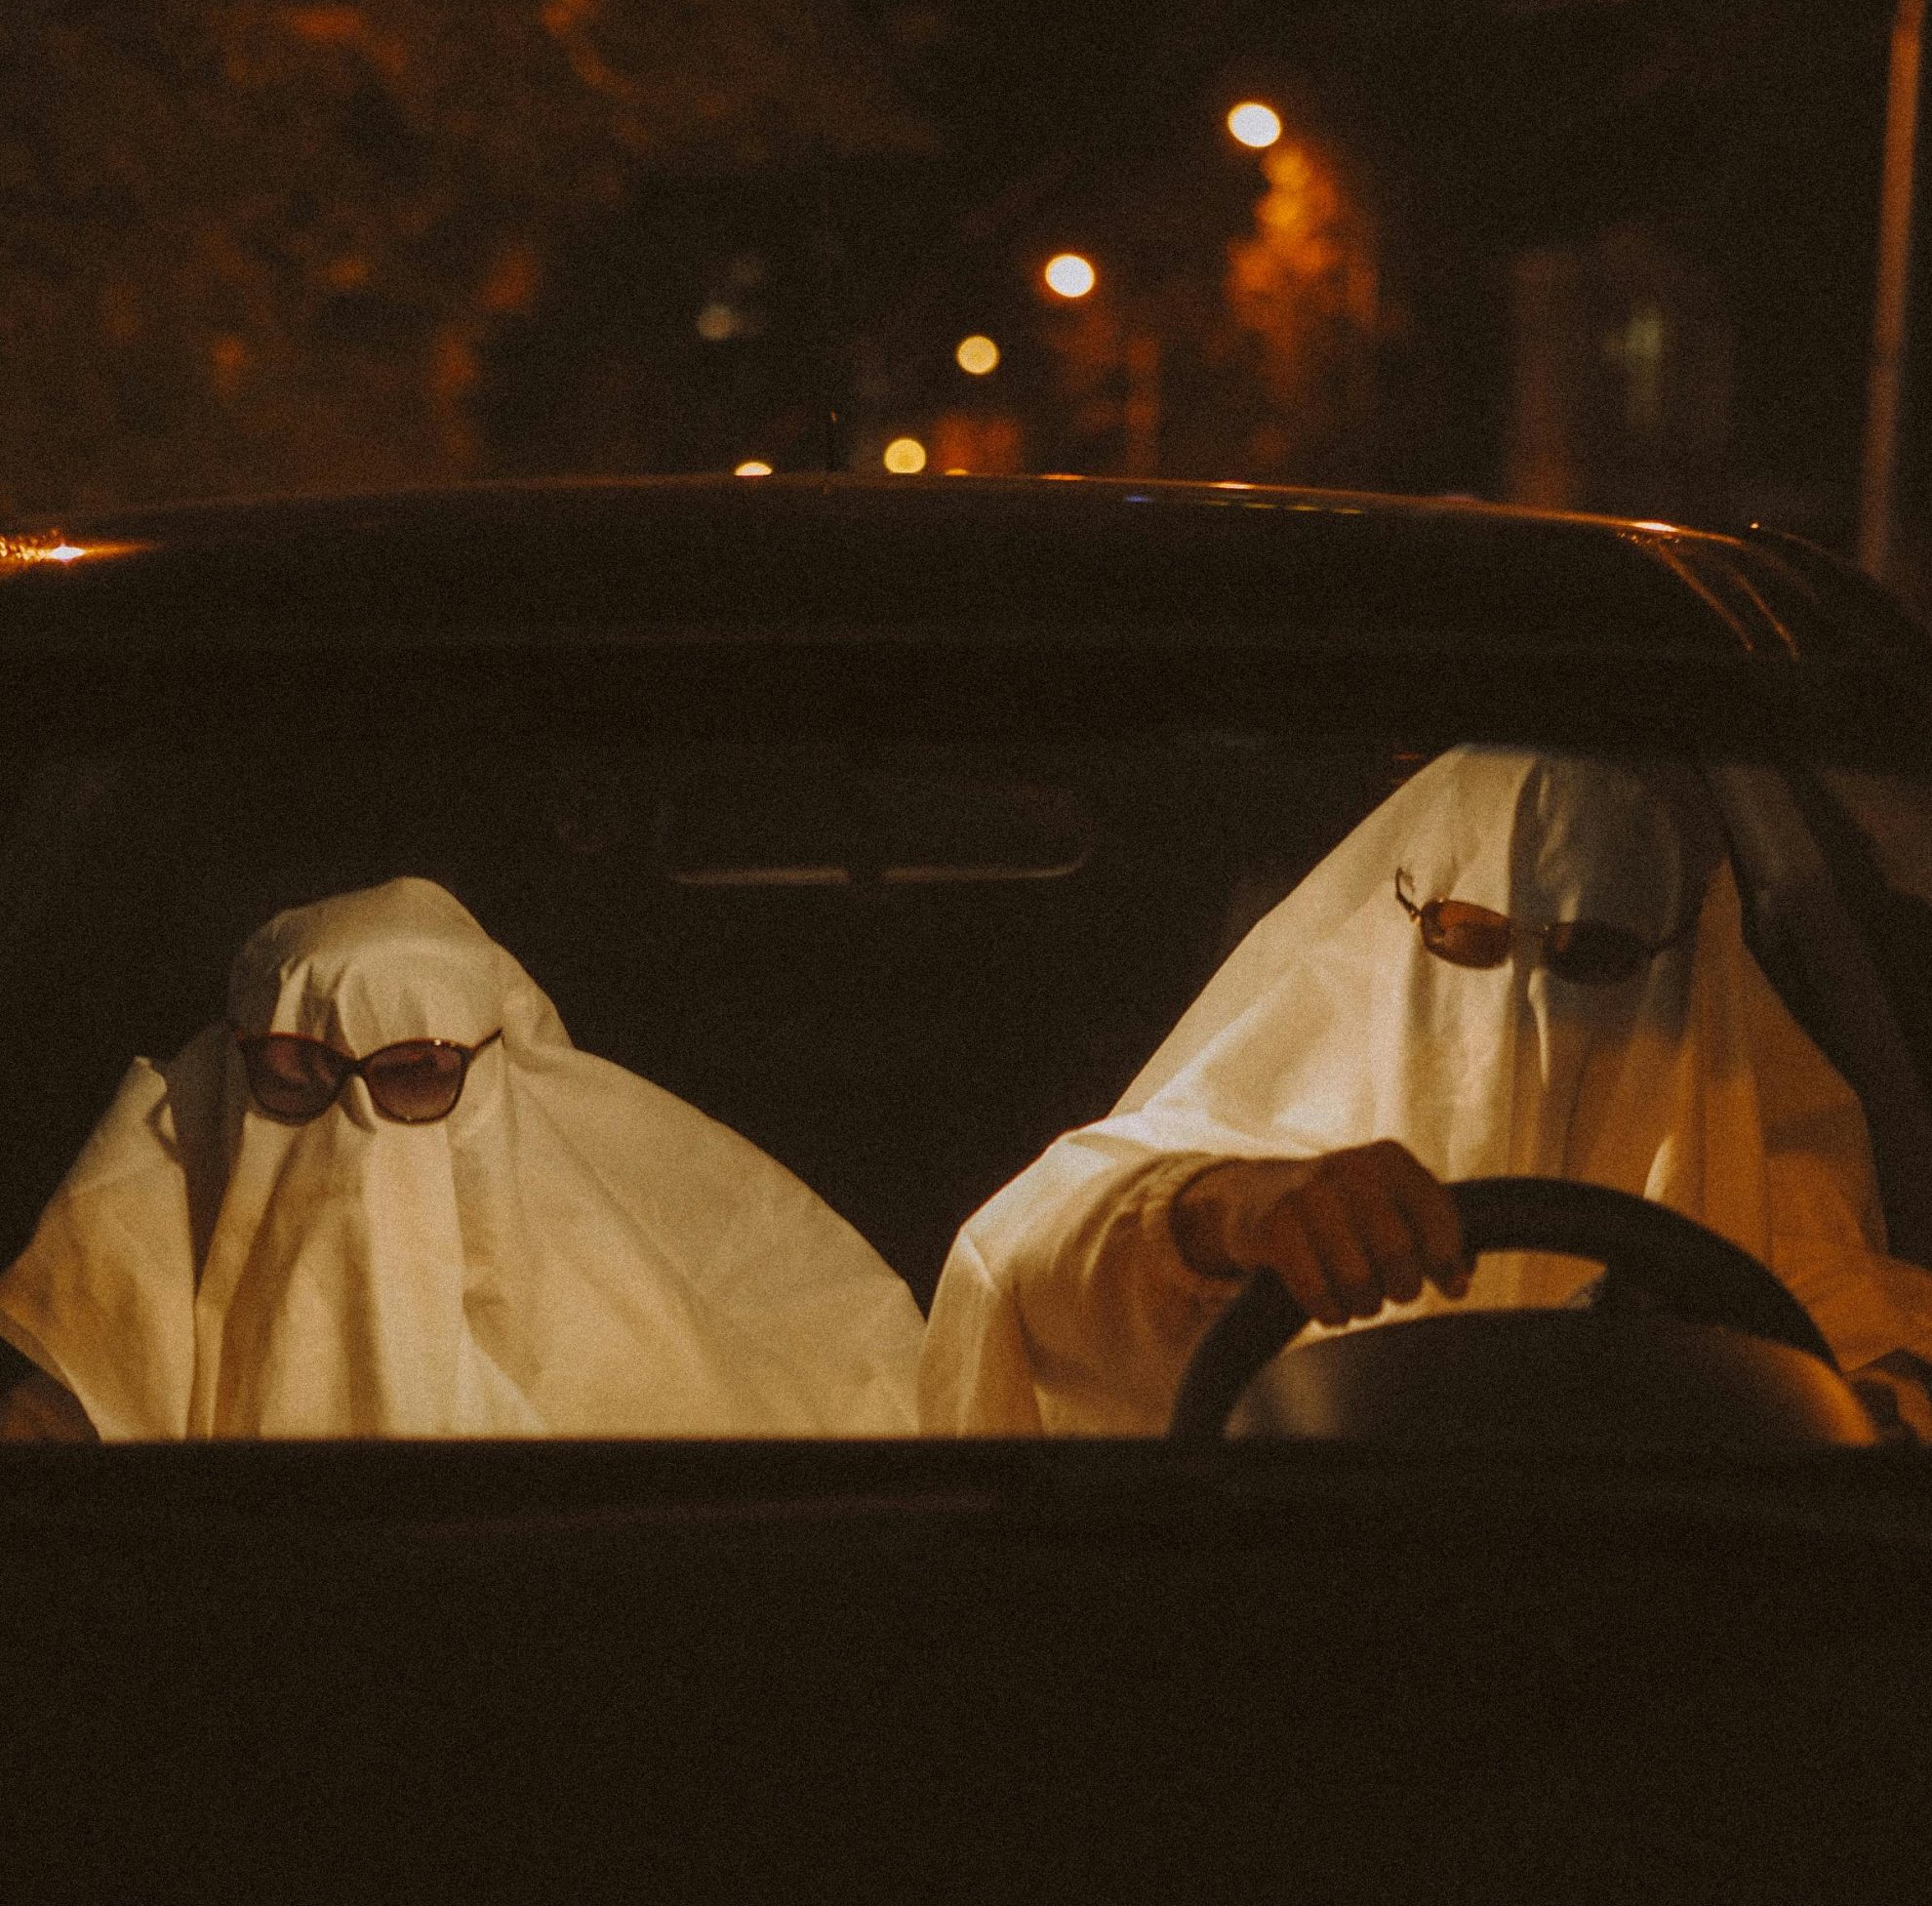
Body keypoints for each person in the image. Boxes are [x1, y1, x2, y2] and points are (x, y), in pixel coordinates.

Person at [919, 747, 1932, 1438]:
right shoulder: (1262, 1149)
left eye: (1596, 957)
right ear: (1405, 915)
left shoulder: (1755, 1184)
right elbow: (1030, 1248)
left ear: (1683, 970)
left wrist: (1863, 1411)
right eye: (1469, 937)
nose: (1527, 999)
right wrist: (1234, 1215)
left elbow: (1863, 1339)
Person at [0, 877, 924, 1440]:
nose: (356, 1133)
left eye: (414, 1074)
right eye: (296, 1074)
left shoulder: (707, 1283)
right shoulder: (127, 1303)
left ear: (495, 1069)